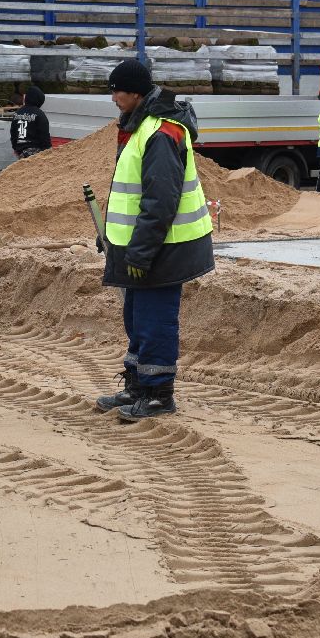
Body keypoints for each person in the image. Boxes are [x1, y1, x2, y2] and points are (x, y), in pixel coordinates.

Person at [92, 59, 214, 423]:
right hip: (144, 245)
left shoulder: (161, 132)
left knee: (155, 320)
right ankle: (138, 385)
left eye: (116, 91)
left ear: (135, 93)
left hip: (166, 248)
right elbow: (132, 195)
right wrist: (114, 238)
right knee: (137, 317)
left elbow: (160, 201)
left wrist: (141, 252)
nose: (112, 98)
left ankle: (159, 394)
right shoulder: (140, 125)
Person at [10, 86, 51, 159]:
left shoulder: (17, 113)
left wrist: (15, 148)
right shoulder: (39, 114)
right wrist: (48, 150)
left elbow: (13, 133)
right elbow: (44, 134)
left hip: (21, 152)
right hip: (35, 152)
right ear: (39, 100)